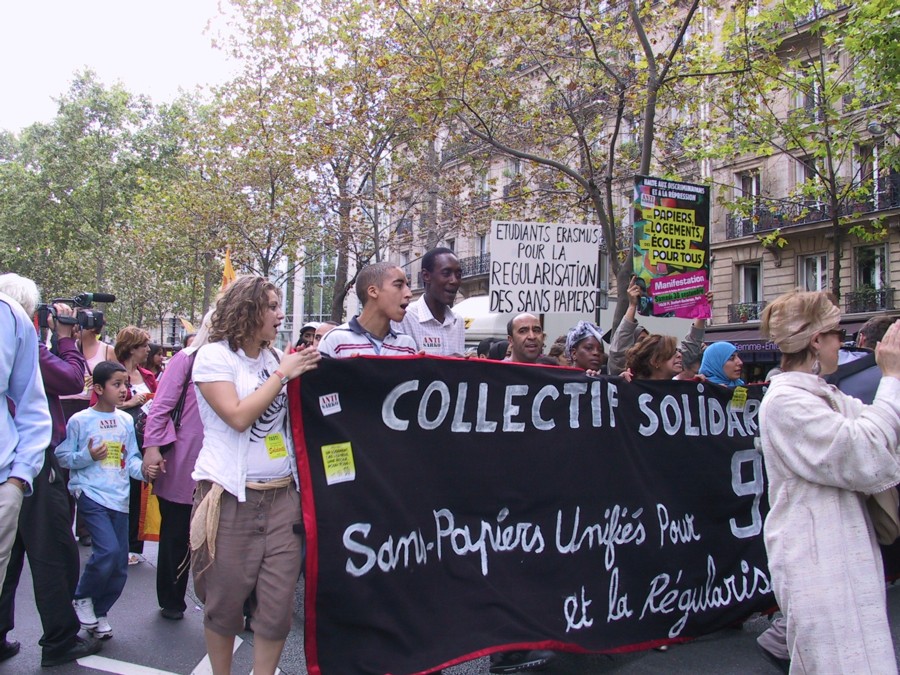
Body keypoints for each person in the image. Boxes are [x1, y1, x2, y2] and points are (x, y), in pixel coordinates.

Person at [758, 290, 900, 672]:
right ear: (816, 340)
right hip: (816, 556)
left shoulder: (824, 394)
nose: (845, 341)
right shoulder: (786, 401)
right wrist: (891, 378)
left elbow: (888, 435)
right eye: (837, 332)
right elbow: (865, 451)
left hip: (840, 549)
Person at [190, 275, 320, 675]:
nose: (281, 315)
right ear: (247, 310)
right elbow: (238, 416)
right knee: (225, 603)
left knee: (278, 606)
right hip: (230, 496)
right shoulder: (213, 358)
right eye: (272, 306)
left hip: (283, 499)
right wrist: (283, 374)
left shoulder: (272, 357)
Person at [0, 274, 101, 666]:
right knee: (54, 552)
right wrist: (64, 337)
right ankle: (60, 638)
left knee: (10, 555)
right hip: (33, 458)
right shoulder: (24, 339)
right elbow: (73, 378)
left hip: (18, 460)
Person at [55, 361, 156, 642]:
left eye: (126, 384)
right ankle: (82, 597)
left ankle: (100, 611)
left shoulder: (126, 420)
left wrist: (146, 471)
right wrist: (87, 456)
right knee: (108, 551)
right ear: (98, 388)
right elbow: (63, 456)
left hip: (120, 498)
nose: (124, 390)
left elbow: (132, 460)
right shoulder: (80, 421)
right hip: (90, 494)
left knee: (119, 566)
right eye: (116, 384)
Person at [141, 313, 211, 621]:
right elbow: (160, 408)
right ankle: (172, 599)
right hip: (183, 459)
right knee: (177, 532)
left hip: (222, 461)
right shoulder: (187, 359)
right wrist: (152, 449)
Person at [111, 326, 158, 565]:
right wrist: (129, 402)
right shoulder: (112, 373)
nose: (148, 350)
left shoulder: (148, 376)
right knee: (119, 493)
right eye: (144, 346)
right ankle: (114, 544)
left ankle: (132, 546)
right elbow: (98, 405)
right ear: (131, 349)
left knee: (138, 495)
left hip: (143, 441)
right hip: (117, 443)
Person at [608, 277, 710, 377]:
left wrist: (702, 309)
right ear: (655, 360)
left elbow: (691, 347)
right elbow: (618, 351)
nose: (679, 355)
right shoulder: (629, 381)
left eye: (675, 351)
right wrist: (632, 306)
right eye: (641, 341)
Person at [318, 262, 417, 358]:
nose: (409, 294)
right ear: (373, 291)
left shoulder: (407, 345)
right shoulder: (334, 340)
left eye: (407, 286)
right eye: (399, 285)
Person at [392, 247, 465, 355]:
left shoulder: (458, 321)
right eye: (446, 273)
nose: (454, 281)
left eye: (458, 275)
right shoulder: (403, 318)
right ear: (426, 276)